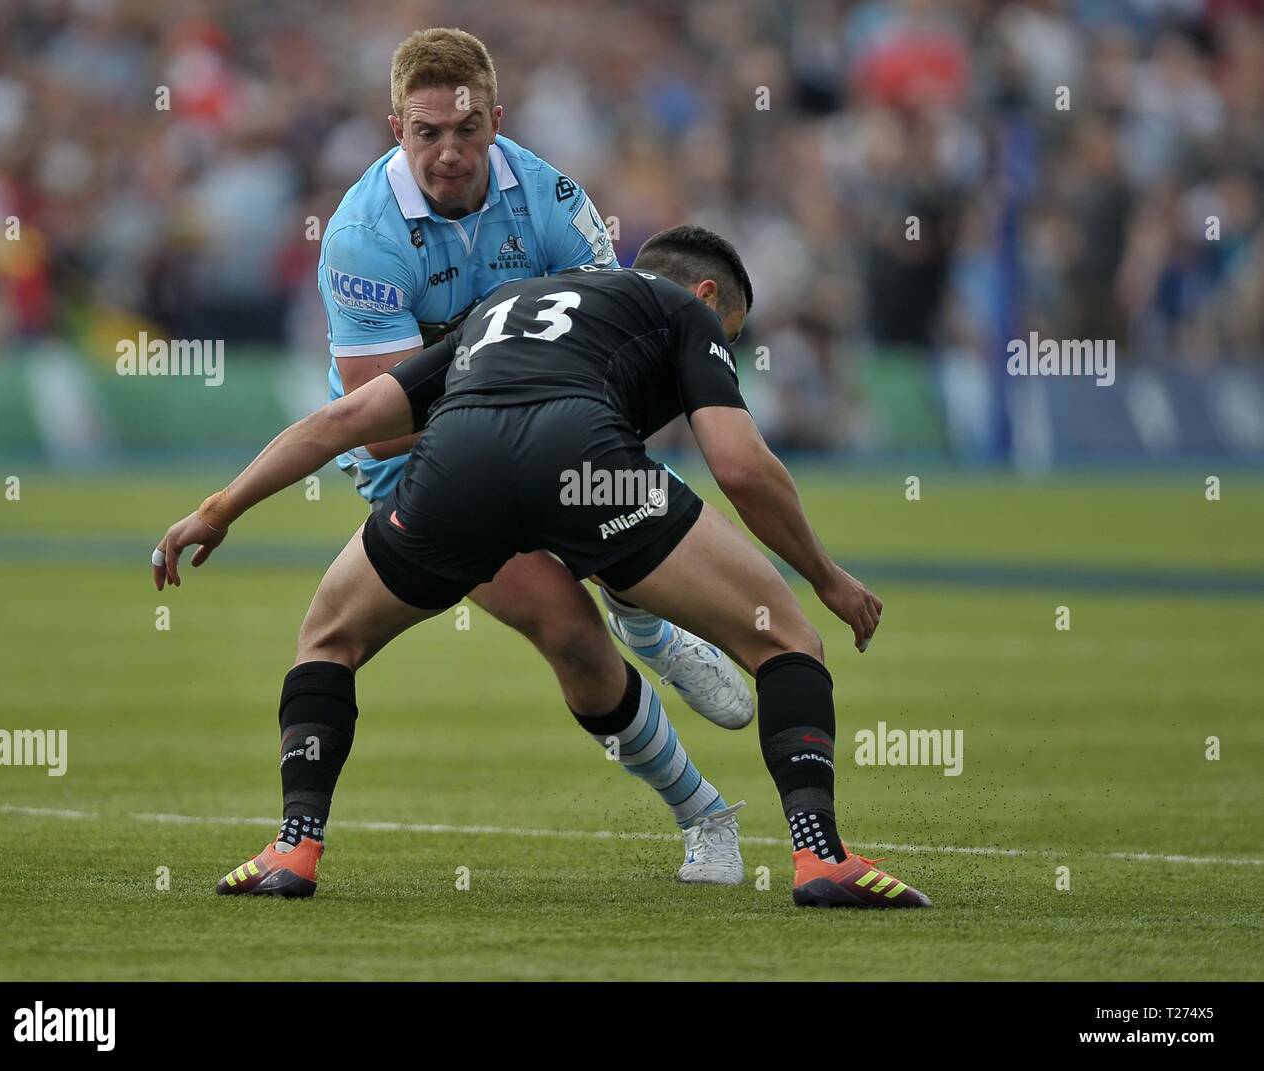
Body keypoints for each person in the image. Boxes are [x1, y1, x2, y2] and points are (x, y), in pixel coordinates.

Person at [153, 225, 931, 909]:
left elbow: (344, 420)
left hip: (457, 464)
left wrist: (222, 506)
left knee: (327, 638)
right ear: (704, 295)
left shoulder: (505, 305)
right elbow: (740, 465)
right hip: (586, 461)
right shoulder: (684, 311)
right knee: (787, 639)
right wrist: (826, 576)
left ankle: (293, 848)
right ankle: (820, 857)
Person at [315, 26, 749, 881]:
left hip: (552, 425)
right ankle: (704, 812)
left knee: (605, 495)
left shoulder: (552, 200)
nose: (448, 153)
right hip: (427, 457)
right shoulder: (362, 235)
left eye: (467, 131)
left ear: (496, 120)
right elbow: (382, 421)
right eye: (426, 133)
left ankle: (645, 616)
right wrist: (501, 398)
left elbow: (606, 360)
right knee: (568, 632)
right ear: (394, 127)